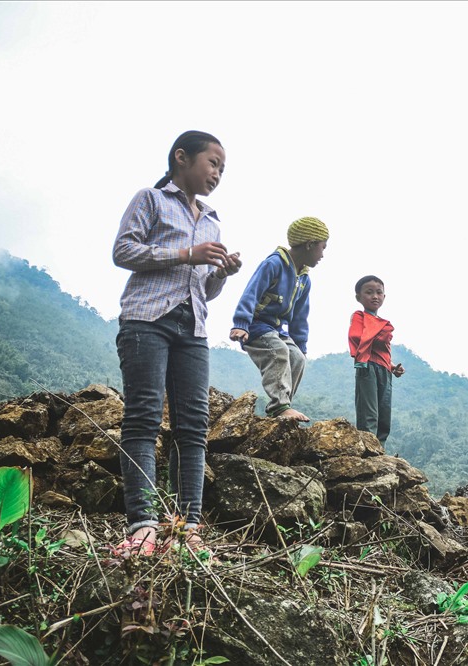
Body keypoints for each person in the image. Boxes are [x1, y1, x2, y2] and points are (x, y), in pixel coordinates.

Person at [112, 130, 242, 556]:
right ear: (181, 158)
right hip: (146, 320)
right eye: (213, 163)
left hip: (193, 328)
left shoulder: (212, 219)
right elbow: (124, 251)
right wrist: (188, 254)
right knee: (143, 419)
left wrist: (221, 271)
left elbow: (205, 289)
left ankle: (187, 528)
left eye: (223, 168)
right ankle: (143, 525)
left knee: (193, 429)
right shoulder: (150, 199)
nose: (218, 173)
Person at [230, 217, 329, 423]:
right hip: (255, 326)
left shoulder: (304, 278)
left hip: (277, 329)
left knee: (296, 357)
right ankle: (279, 406)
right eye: (322, 248)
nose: (322, 255)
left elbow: (301, 316)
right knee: (278, 352)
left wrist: (301, 345)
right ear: (309, 245)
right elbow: (252, 292)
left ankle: (283, 407)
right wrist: (241, 324)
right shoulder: (274, 263)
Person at [349, 275, 405, 443]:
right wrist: (381, 333)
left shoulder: (379, 322)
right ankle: (367, 450)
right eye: (369, 292)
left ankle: (379, 449)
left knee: (384, 413)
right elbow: (357, 336)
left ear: (384, 297)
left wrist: (392, 367)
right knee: (369, 413)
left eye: (379, 292)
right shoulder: (360, 316)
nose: (375, 296)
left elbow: (381, 349)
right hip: (367, 367)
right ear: (358, 297)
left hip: (384, 369)